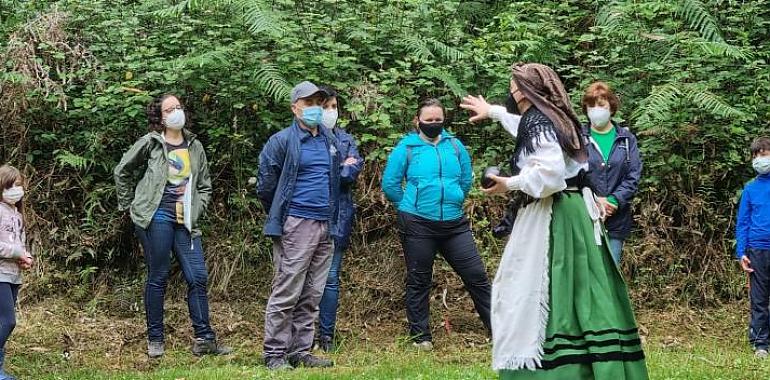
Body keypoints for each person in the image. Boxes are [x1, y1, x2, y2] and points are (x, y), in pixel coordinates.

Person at [461, 63, 648, 379]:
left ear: (524, 90)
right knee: (582, 289)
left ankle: (558, 368)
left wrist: (510, 183)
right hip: (574, 210)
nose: (511, 92)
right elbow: (523, 127)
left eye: (513, 86)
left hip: (556, 214)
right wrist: (492, 111)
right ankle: (595, 362)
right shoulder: (556, 117)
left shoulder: (540, 121)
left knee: (538, 285)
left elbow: (548, 176)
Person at [114, 94, 230, 358]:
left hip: (186, 221)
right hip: (156, 218)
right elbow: (123, 170)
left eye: (179, 107)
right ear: (161, 117)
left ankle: (205, 340)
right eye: (170, 109)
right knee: (159, 276)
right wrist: (129, 206)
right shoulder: (151, 143)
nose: (177, 111)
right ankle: (155, 339)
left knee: (197, 277)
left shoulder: (194, 145)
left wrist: (196, 211)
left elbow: (204, 186)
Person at [382, 98, 492, 351]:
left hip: (454, 223)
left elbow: (465, 179)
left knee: (476, 275)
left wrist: (454, 199)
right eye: (428, 120)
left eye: (438, 120)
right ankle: (421, 336)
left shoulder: (454, 146)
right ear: (417, 121)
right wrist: (410, 205)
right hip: (418, 223)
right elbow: (390, 184)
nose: (433, 124)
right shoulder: (406, 148)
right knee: (419, 279)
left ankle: (497, 327)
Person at [257, 81, 340, 370]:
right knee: (287, 289)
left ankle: (300, 351)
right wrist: (285, 215)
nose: (315, 108)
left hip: (325, 223)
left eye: (319, 102)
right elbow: (266, 184)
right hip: (297, 223)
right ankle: (274, 353)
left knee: (313, 292)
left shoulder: (329, 140)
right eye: (309, 103)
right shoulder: (281, 141)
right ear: (295, 108)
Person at [315, 86, 363, 352]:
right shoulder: (304, 139)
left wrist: (341, 167)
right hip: (309, 217)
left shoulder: (346, 140)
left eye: (334, 106)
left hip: (339, 218)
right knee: (304, 277)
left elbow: (349, 174)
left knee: (331, 278)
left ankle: (326, 335)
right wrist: (340, 165)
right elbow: (320, 175)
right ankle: (303, 333)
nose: (330, 112)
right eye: (325, 107)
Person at [580, 81, 642, 264]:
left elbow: (633, 175)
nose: (596, 110)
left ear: (611, 107)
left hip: (617, 219)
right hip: (585, 215)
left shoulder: (626, 139)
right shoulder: (578, 138)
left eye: (601, 105)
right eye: (591, 105)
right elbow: (572, 174)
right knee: (587, 273)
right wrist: (593, 200)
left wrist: (613, 201)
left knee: (611, 272)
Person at [736, 137, 770, 359]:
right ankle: (760, 343)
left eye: (764, 153)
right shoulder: (750, 189)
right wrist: (742, 253)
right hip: (757, 250)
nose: (760, 159)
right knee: (759, 299)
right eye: (756, 155)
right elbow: (743, 223)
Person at [0, 165, 33, 380]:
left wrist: (25, 257)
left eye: (19, 185)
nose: (16, 190)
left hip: (13, 275)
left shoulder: (17, 213)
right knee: (8, 321)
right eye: (11, 186)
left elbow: (19, 243)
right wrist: (17, 252)